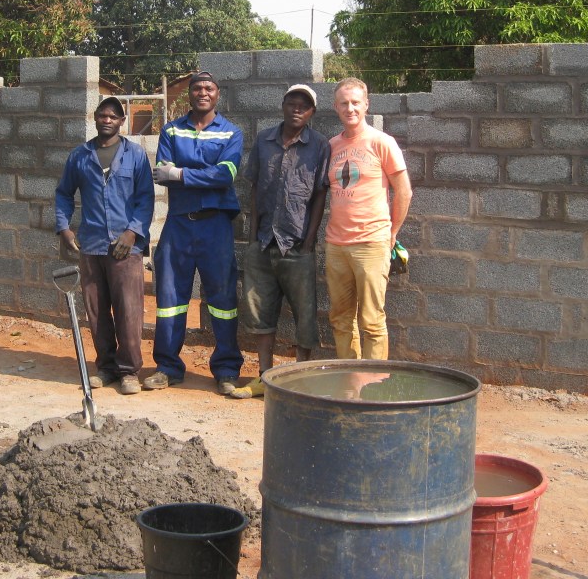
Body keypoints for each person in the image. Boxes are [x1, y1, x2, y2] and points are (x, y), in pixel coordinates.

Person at [145, 71, 244, 394]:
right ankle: (168, 367)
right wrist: (190, 174)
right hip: (179, 224)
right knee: (170, 298)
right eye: (197, 88)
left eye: (209, 88)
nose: (203, 93)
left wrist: (181, 174)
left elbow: (225, 175)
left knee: (223, 299)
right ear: (189, 94)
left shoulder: (231, 133)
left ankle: (226, 370)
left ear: (218, 94)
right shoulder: (171, 130)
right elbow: (162, 173)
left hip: (216, 225)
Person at [229, 84, 330, 400]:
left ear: (312, 112)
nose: (297, 109)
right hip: (263, 241)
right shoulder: (264, 140)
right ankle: (264, 376)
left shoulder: (319, 145)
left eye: (304, 105)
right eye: (292, 103)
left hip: (298, 244)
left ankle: (300, 380)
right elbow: (255, 188)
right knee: (260, 311)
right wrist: (252, 237)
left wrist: (309, 241)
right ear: (283, 105)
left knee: (305, 315)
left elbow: (320, 195)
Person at [55, 96, 154, 395]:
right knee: (96, 311)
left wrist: (133, 232)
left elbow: (145, 199)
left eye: (113, 116)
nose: (107, 120)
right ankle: (106, 367)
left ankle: (129, 371)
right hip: (92, 245)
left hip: (126, 248)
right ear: (95, 118)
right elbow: (63, 193)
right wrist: (64, 228)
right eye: (102, 115)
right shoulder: (80, 156)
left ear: (122, 121)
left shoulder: (135, 155)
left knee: (128, 311)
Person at [325, 77, 412, 360]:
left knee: (372, 321)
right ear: (336, 107)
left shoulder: (381, 142)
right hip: (336, 245)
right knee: (340, 318)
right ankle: (349, 378)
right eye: (344, 103)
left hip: (371, 243)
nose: (350, 108)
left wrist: (392, 233)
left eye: (355, 103)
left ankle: (374, 383)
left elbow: (404, 191)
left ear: (366, 105)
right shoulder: (331, 146)